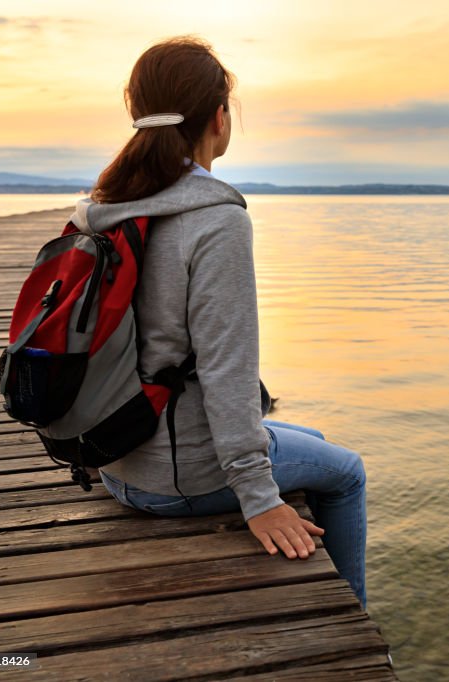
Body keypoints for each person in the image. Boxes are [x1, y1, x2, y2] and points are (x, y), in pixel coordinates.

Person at [71, 36, 367, 608]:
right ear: (219, 118)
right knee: (347, 471)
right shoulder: (215, 221)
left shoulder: (108, 206)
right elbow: (227, 371)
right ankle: (356, 614)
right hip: (174, 479)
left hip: (114, 459)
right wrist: (259, 498)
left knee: (315, 444)